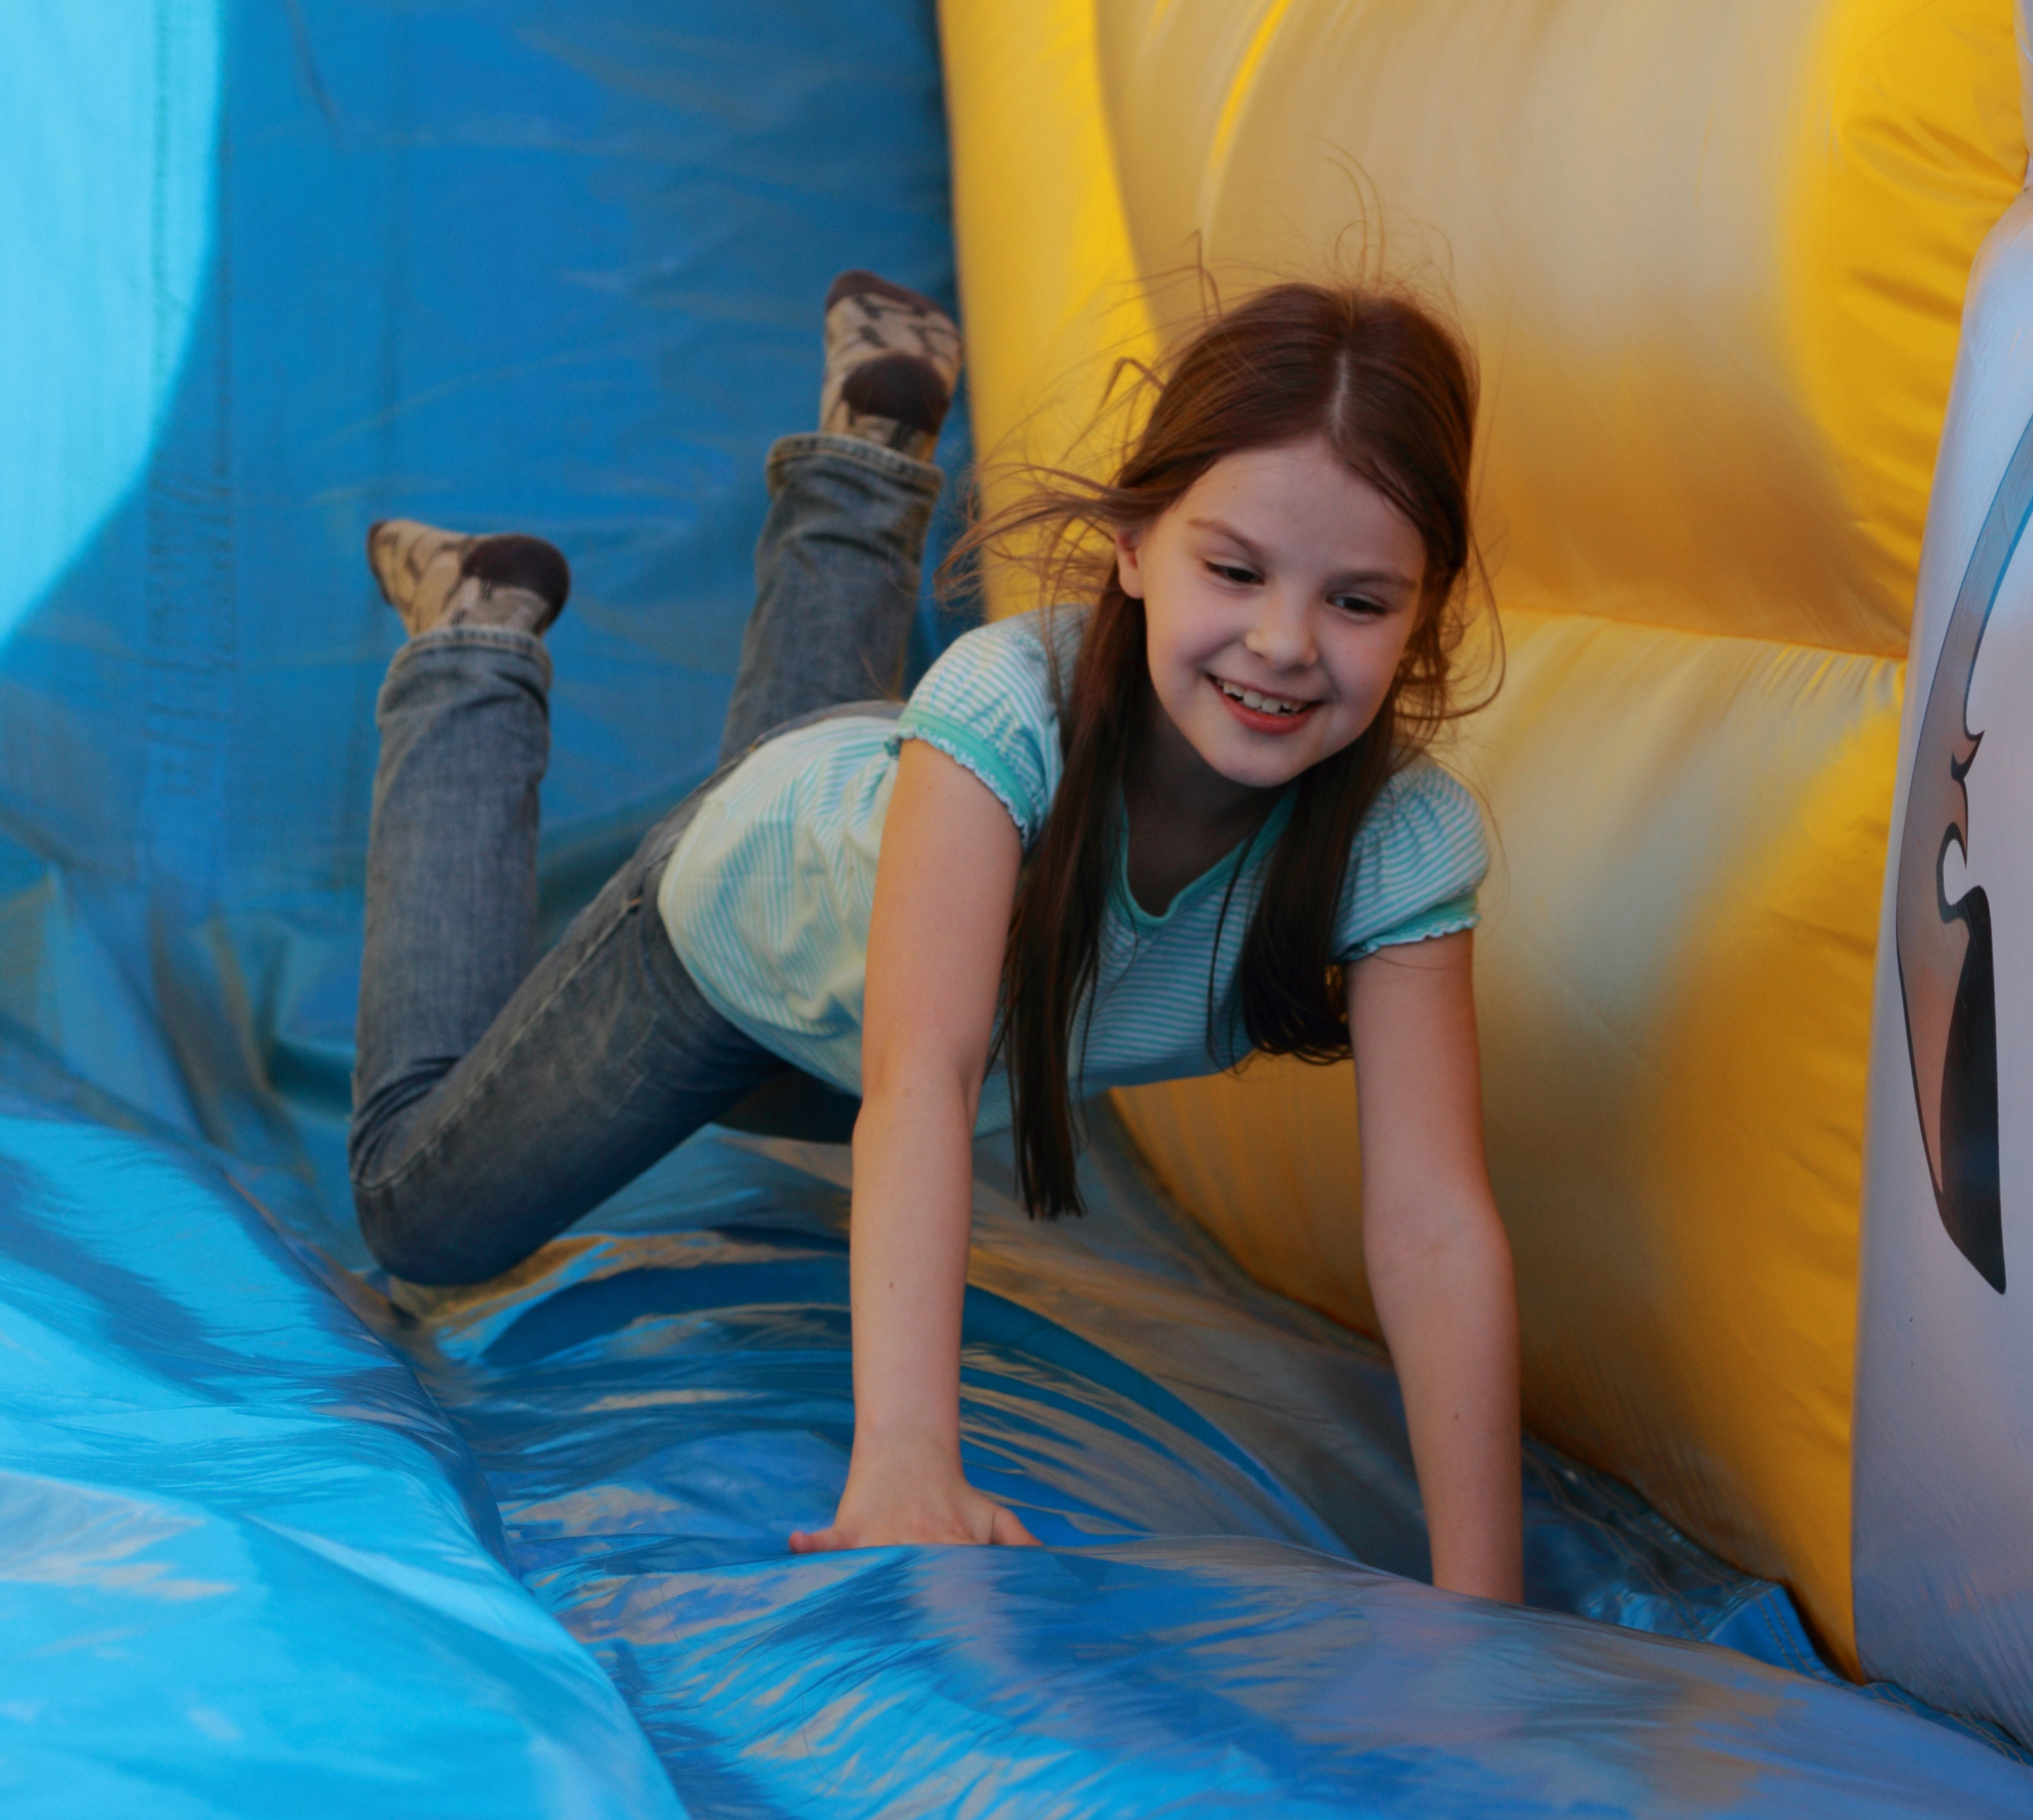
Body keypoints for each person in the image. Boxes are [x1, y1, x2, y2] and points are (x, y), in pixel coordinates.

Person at [351, 271, 1523, 1601]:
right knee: (421, 1214)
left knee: (809, 756)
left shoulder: (1400, 839)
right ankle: (474, 653)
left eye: (1360, 602)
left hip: (874, 894)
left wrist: (1483, 1607)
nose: (1284, 642)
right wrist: (908, 1458)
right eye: (1236, 570)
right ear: (1135, 546)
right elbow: (923, 1083)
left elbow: (1431, 1222)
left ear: (1426, 605)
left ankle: (862, 455)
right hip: (747, 932)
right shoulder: (1011, 705)